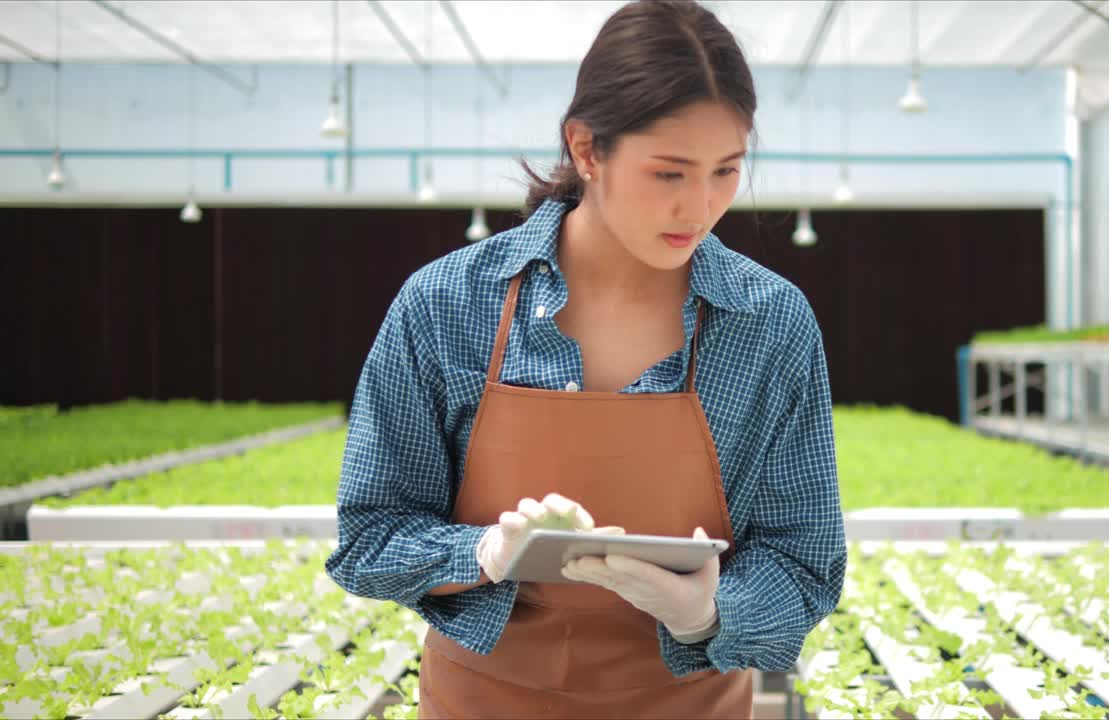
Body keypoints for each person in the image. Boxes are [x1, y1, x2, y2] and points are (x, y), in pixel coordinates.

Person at [324, 1, 847, 717]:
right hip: (484, 702)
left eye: (726, 171)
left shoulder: (770, 325)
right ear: (587, 148)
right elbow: (369, 535)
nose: (700, 206)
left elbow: (805, 562)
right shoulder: (445, 306)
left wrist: (706, 613)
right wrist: (483, 554)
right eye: (670, 174)